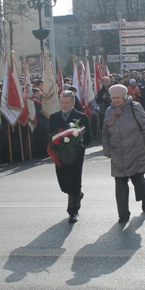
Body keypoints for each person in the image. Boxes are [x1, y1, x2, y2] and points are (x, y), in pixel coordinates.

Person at [102, 84, 145, 223]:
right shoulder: (109, 111)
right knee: (120, 184)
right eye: (113, 98)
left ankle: (144, 196)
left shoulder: (135, 107)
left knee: (138, 180)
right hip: (117, 153)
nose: (116, 100)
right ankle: (123, 215)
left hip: (135, 151)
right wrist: (106, 149)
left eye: (119, 97)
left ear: (125, 97)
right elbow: (105, 132)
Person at [47, 91, 90, 223]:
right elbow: (49, 135)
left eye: (67, 103)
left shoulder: (81, 117)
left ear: (73, 102)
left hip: (76, 155)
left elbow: (88, 137)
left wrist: (76, 142)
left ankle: (73, 210)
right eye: (62, 102)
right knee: (64, 182)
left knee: (74, 180)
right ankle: (77, 195)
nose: (64, 105)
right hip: (59, 155)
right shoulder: (54, 117)